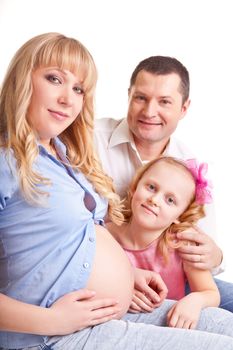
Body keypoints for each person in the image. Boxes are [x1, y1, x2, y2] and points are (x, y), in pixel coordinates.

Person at [1, 33, 233, 350]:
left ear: (183, 108)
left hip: (120, 297)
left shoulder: (60, 153)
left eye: (78, 89)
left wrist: (128, 272)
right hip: (56, 330)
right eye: (55, 79)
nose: (68, 99)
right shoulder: (24, 155)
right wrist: (53, 321)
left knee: (227, 324)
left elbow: (77, 236)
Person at [94, 55, 233, 312]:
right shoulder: (91, 140)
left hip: (172, 278)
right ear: (128, 96)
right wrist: (121, 280)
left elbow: (206, 254)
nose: (149, 112)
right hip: (103, 269)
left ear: (184, 108)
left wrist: (216, 255)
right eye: (141, 98)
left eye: (165, 102)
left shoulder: (190, 169)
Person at [107, 156, 222, 329]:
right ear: (134, 188)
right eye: (151, 187)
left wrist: (195, 301)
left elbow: (211, 293)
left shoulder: (183, 245)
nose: (155, 200)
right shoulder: (105, 235)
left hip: (168, 326)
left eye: (170, 200)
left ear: (180, 216)